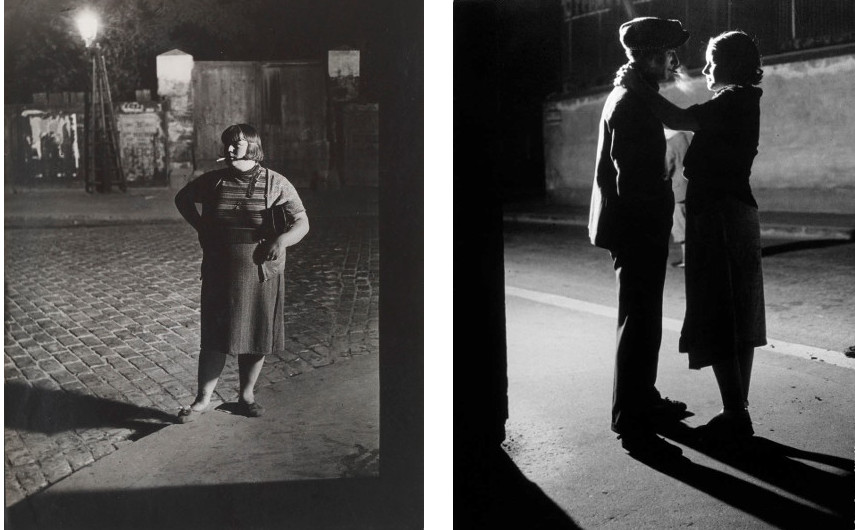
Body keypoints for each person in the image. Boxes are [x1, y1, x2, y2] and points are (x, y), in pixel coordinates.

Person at [619, 31, 767, 440]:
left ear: (732, 63)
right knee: (739, 312)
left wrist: (635, 86)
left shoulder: (731, 100)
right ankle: (737, 409)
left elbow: (675, 118)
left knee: (720, 310)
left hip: (718, 214)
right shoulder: (743, 100)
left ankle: (735, 412)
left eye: (712, 61)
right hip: (736, 210)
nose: (705, 70)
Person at [588, 17, 691, 458]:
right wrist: (658, 208)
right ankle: (631, 417)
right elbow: (632, 179)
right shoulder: (632, 101)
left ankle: (642, 400)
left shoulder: (631, 95)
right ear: (650, 56)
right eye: (669, 52)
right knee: (639, 321)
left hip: (636, 226)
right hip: (638, 228)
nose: (674, 60)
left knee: (642, 320)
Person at [174, 124, 310, 422]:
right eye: (228, 143)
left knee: (256, 331)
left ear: (253, 146)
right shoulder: (213, 181)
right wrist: (201, 227)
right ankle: (202, 399)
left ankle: (246, 396)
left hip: (260, 267)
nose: (230, 148)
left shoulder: (275, 182)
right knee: (214, 335)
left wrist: (281, 240)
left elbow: (302, 222)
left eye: (237, 143)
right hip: (219, 266)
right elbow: (183, 199)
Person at [666, 129, 692, 268]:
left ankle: (687, 260)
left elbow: (666, 169)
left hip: (677, 192)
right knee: (691, 225)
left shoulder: (670, 144)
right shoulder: (685, 138)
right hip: (690, 188)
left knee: (681, 227)